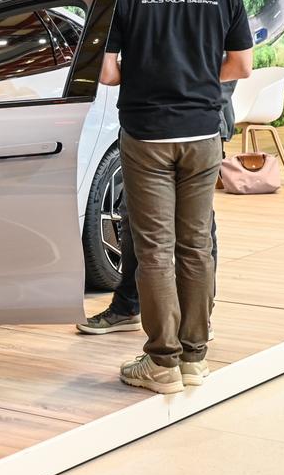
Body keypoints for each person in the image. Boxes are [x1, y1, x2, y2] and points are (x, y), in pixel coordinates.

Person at [97, 0, 252, 395]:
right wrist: (198, 81)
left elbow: (107, 73)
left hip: (146, 135)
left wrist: (143, 72)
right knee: (196, 246)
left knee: (154, 248)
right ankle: (195, 358)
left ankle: (161, 361)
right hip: (203, 133)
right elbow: (241, 66)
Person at [77, 81, 235, 336]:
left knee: (197, 231)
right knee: (132, 216)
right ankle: (128, 305)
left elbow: (235, 67)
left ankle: (197, 320)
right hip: (149, 125)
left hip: (200, 122)